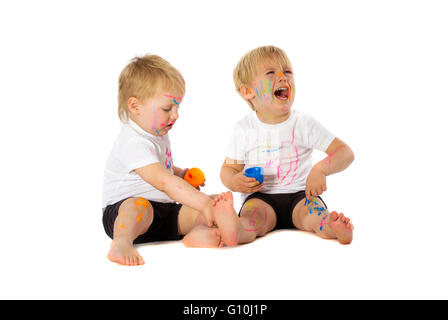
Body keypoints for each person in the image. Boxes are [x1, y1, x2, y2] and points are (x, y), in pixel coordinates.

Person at [102, 54, 238, 266]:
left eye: (177, 107)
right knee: (137, 206)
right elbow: (163, 181)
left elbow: (162, 169)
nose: (175, 115)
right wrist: (202, 203)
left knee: (211, 204)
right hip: (125, 213)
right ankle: (121, 243)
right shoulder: (132, 142)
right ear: (135, 106)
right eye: (167, 108)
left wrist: (181, 173)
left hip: (164, 214)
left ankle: (197, 234)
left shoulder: (157, 132)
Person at [218, 46, 354, 245]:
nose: (283, 78)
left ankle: (332, 227)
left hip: (301, 195)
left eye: (288, 72)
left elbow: (345, 153)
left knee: (314, 215)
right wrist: (235, 181)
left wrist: (321, 169)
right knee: (253, 221)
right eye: (271, 73)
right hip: (260, 198)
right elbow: (228, 169)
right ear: (247, 91)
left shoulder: (303, 123)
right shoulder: (243, 129)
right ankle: (236, 229)